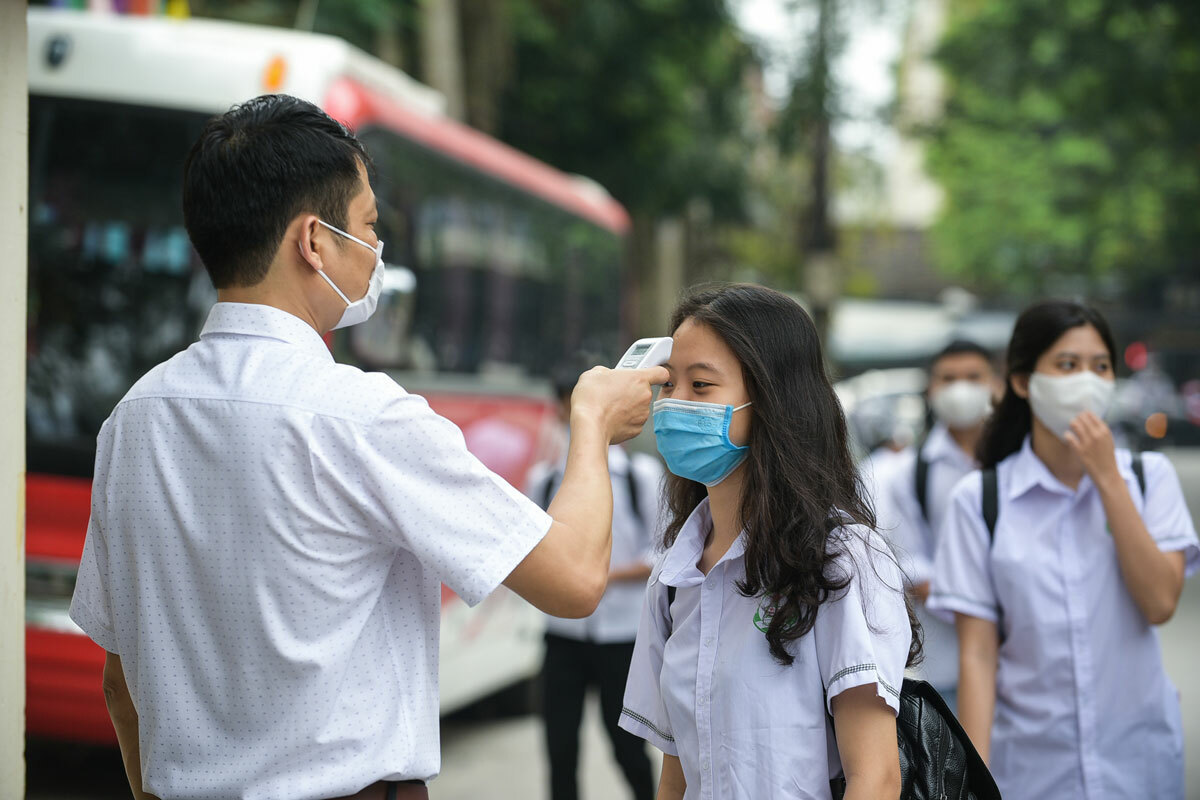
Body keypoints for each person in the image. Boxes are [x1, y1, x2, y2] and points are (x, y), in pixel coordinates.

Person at [66, 94, 667, 800]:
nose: (377, 252)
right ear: (314, 241)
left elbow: (121, 678)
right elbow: (571, 579)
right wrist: (591, 425)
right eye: (369, 226)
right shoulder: (362, 417)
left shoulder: (133, 419)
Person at [619, 284, 920, 800]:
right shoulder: (674, 576)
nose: (673, 405)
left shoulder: (842, 558)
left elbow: (876, 778)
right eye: (669, 386)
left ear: (772, 401)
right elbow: (677, 773)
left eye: (702, 386)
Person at [928, 300, 1198, 798]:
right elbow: (979, 655)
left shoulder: (1148, 479)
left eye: (1100, 367)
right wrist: (975, 782)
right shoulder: (981, 501)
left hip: (1137, 766)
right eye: (1067, 365)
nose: (1086, 381)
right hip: (1029, 772)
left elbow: (1161, 602)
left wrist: (1107, 479)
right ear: (1023, 381)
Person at [526, 365, 660, 800]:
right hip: (563, 634)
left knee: (626, 745)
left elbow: (662, 555)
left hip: (621, 635)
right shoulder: (545, 479)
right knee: (560, 747)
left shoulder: (641, 477)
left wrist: (598, 575)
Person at [876, 340, 997, 710]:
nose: (961, 388)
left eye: (974, 377)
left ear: (997, 384)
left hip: (1020, 664)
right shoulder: (908, 473)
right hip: (945, 663)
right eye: (949, 378)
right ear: (931, 390)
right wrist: (973, 601)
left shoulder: (1019, 463)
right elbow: (906, 561)